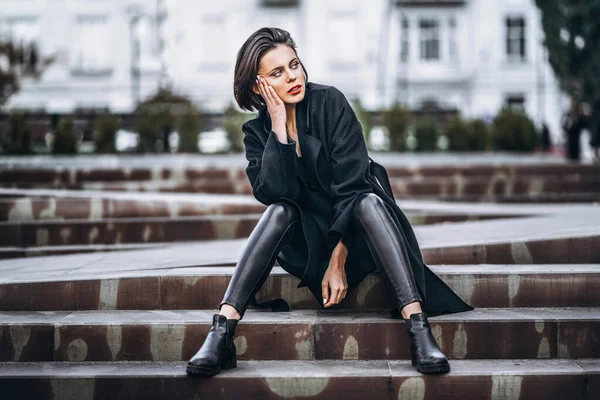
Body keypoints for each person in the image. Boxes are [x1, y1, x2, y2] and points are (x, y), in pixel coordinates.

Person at [186, 27, 472, 377]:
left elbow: (352, 186)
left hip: (357, 236)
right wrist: (279, 129)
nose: (293, 76)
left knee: (368, 200)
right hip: (306, 247)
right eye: (277, 73)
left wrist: (339, 257)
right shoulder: (256, 133)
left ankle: (418, 327)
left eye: (294, 64)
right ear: (259, 86)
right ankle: (222, 331)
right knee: (280, 210)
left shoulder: (330, 103)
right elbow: (273, 193)